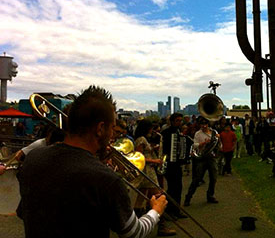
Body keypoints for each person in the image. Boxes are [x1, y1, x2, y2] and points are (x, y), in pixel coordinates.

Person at [17, 85, 167, 238]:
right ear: (100, 128)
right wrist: (155, 211)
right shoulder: (106, 179)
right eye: (112, 129)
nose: (112, 136)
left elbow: (24, 212)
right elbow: (134, 232)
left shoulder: (33, 158)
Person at [184, 116, 220, 206]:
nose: (204, 126)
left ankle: (210, 195)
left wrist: (218, 142)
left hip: (211, 157)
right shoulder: (198, 134)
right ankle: (188, 197)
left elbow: (218, 144)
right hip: (202, 158)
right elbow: (195, 145)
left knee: (214, 178)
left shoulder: (214, 132)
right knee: (197, 179)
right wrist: (203, 143)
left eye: (205, 124)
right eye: (202, 124)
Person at [161, 112, 187, 219]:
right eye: (177, 121)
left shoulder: (178, 132)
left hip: (176, 164)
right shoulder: (166, 133)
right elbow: (164, 148)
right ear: (172, 121)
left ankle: (176, 210)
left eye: (181, 121)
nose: (179, 123)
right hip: (169, 164)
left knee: (178, 188)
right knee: (172, 188)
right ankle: (168, 211)